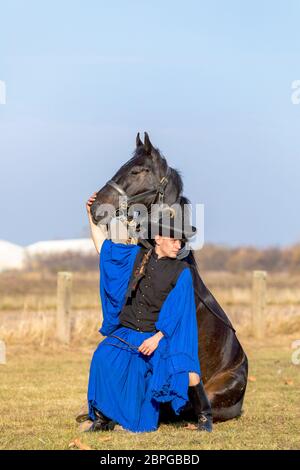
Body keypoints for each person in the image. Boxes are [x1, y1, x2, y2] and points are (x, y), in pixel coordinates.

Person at [84, 192, 213, 433]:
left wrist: (156, 339)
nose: (179, 245)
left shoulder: (182, 272)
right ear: (158, 238)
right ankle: (103, 419)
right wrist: (90, 217)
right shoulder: (136, 257)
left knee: (182, 367)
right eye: (175, 240)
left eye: (182, 241)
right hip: (128, 332)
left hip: (156, 336)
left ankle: (205, 417)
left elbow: (178, 314)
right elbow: (104, 249)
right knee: (103, 356)